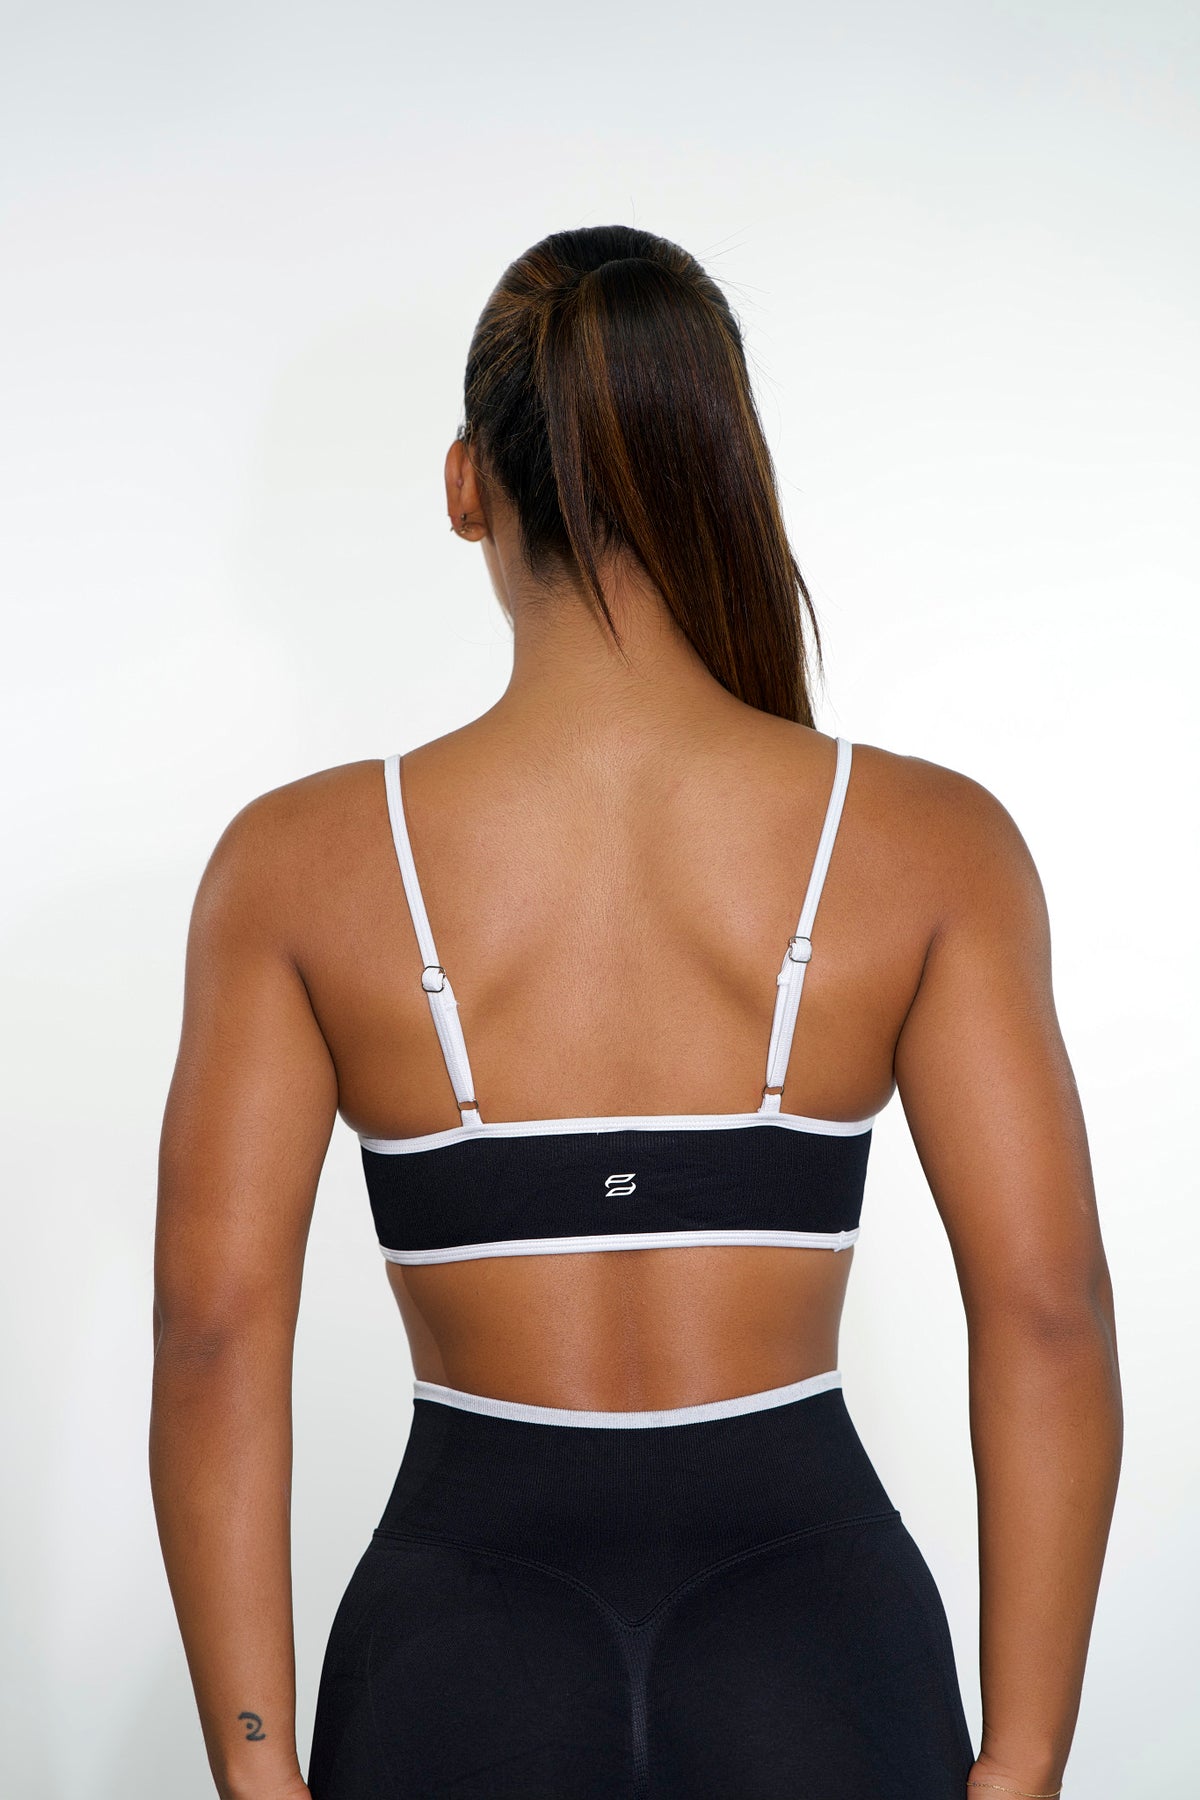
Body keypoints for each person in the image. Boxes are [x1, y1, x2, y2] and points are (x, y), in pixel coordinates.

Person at [150, 224, 1122, 1800]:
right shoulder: (930, 845)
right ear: (714, 463)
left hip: (456, 1654)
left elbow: (210, 1341)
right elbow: (1050, 1312)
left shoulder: (296, 866)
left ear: (466, 484)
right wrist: (1020, 1767)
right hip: (818, 1650)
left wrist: (258, 1774)